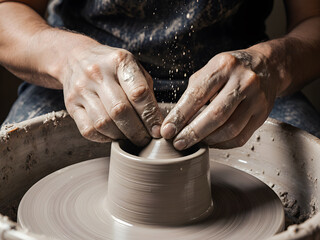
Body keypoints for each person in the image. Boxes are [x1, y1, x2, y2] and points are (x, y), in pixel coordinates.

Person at [0, 0, 320, 150]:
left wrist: (272, 64)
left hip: (238, 78)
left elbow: (313, 19)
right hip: (88, 74)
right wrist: (69, 58)